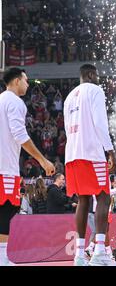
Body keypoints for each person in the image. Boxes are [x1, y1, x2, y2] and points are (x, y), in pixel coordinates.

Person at [0, 67, 55, 266]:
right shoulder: (14, 102)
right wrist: (43, 160)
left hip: (5, 164)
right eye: (25, 79)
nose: (27, 83)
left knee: (7, 210)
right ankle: (2, 259)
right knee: (6, 210)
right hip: (4, 167)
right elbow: (20, 135)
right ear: (15, 81)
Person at [64, 64, 116, 266]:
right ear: (90, 74)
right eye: (96, 75)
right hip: (91, 152)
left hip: (73, 154)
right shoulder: (95, 90)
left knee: (83, 201)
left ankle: (79, 255)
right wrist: (110, 150)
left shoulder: (69, 96)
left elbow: (68, 128)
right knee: (103, 198)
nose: (98, 78)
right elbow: (100, 122)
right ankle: (100, 252)